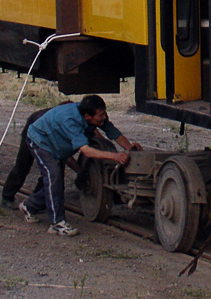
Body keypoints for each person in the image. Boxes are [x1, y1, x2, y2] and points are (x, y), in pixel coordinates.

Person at [19, 95, 140, 236]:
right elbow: (87, 151)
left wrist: (129, 147)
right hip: (41, 142)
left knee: (56, 183)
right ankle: (57, 224)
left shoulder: (95, 116)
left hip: (57, 144)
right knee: (54, 177)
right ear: (88, 117)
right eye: (100, 115)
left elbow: (113, 133)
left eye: (104, 113)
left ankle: (29, 206)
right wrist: (114, 156)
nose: (104, 118)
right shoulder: (71, 121)